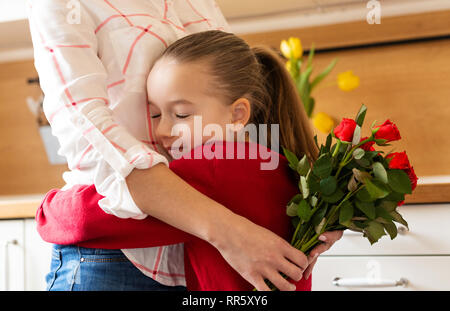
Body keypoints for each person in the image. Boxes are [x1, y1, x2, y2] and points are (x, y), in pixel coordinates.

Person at [29, 1, 342, 291]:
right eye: (153, 114)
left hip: (127, 248)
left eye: (180, 114)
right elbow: (85, 124)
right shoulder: (273, 166)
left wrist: (52, 209)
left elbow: (89, 218)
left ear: (238, 114)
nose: (163, 129)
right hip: (125, 265)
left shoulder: (214, 167)